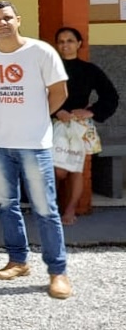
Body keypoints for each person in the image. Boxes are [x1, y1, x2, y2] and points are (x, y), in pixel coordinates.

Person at [0, 1, 73, 299]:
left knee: (45, 209)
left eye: (7, 17)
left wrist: (38, 118)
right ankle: (18, 261)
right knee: (6, 205)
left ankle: (58, 272)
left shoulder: (41, 51)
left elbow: (59, 92)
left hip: (34, 144)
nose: (2, 23)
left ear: (18, 20)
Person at [53, 26, 119, 225]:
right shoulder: (49, 68)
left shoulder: (90, 70)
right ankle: (51, 207)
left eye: (70, 41)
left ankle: (71, 209)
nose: (66, 45)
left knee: (76, 168)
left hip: (79, 126)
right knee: (57, 170)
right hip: (54, 123)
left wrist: (90, 111)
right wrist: (56, 111)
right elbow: (37, 96)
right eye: (61, 41)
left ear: (79, 44)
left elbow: (111, 96)